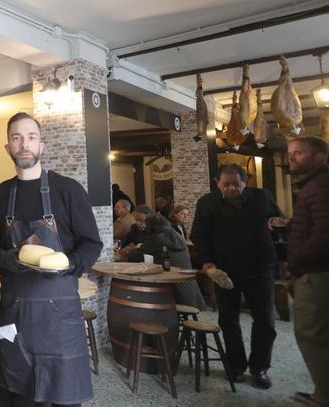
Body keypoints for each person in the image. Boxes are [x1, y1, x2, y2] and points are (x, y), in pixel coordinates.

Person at [0, 112, 102, 407]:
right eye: (16, 137)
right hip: (14, 312)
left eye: (31, 137)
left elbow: (91, 244)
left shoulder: (68, 190)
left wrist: (71, 264)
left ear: (42, 146)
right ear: (7, 147)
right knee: (20, 399)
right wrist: (3, 259)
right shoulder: (1, 194)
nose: (24, 144)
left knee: (66, 399)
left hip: (59, 315)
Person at [190, 163, 284, 389]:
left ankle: (260, 367)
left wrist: (283, 255)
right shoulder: (207, 203)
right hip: (225, 272)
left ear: (246, 182)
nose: (232, 188)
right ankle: (235, 366)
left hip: (260, 268)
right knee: (228, 320)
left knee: (265, 320)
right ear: (217, 184)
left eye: (237, 184)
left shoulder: (262, 197)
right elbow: (199, 236)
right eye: (226, 184)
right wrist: (207, 262)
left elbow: (278, 224)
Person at [285, 137, 329, 406]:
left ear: (319, 157)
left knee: (311, 335)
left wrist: (296, 260)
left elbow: (324, 235)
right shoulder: (313, 186)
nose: (291, 158)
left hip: (317, 272)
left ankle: (324, 397)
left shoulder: (319, 188)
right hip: (316, 270)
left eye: (298, 153)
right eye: (290, 153)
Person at [132, 208, 206, 309]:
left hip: (172, 290)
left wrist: (129, 251)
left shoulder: (157, 237)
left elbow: (137, 256)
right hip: (189, 289)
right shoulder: (176, 234)